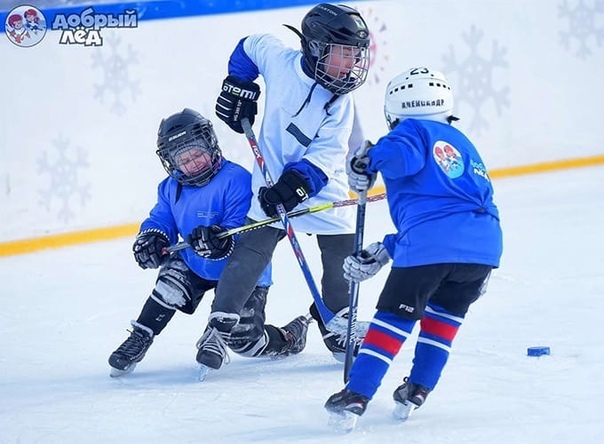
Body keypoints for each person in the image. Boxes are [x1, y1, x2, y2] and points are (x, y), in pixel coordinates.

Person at [324, 67, 503, 429]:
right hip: (482, 248)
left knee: (394, 319)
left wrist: (367, 159)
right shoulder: (462, 143)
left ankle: (356, 393)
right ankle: (418, 389)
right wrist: (389, 248)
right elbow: (450, 211)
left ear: (395, 110)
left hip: (430, 246)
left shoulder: (410, 130)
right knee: (443, 321)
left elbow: (401, 157)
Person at [195, 3, 372, 369]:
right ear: (314, 48)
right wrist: (239, 85)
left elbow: (326, 155)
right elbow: (248, 46)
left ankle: (338, 321)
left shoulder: (340, 101)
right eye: (343, 55)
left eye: (355, 56)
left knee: (341, 255)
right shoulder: (279, 60)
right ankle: (220, 321)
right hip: (270, 178)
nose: (351, 65)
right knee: (252, 248)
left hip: (321, 186)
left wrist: (294, 189)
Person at [108, 108, 310, 377]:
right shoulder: (169, 188)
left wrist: (222, 239)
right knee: (170, 282)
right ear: (171, 163)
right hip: (194, 262)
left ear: (211, 145)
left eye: (197, 153)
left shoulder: (237, 179)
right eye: (185, 159)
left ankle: (287, 338)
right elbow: (161, 218)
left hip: (243, 271)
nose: (194, 163)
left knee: (245, 342)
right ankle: (141, 335)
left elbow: (244, 227)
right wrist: (153, 237)